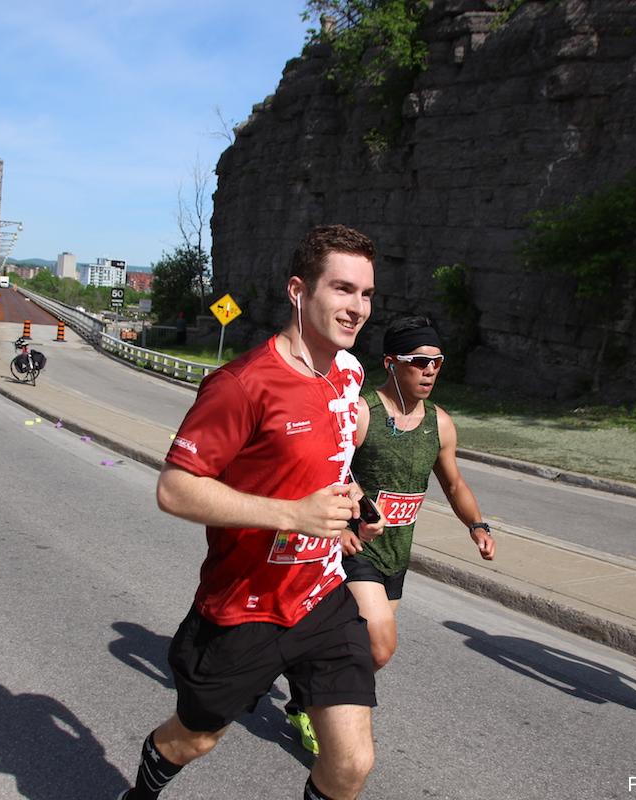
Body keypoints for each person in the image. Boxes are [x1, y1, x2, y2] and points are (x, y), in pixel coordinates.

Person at [117, 225, 381, 800]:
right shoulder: (241, 385)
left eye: (365, 293)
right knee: (193, 740)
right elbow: (175, 489)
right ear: (298, 290)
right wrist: (294, 515)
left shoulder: (349, 372)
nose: (356, 307)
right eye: (341, 289)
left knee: (351, 764)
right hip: (243, 610)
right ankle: (142, 791)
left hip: (320, 596)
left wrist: (351, 499)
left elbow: (323, 466)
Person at [283, 315, 497, 755]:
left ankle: (308, 693)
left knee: (364, 649)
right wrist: (347, 519)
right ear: (391, 363)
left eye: (437, 362)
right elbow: (325, 469)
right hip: (354, 548)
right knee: (380, 644)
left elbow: (453, 482)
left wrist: (477, 525)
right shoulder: (362, 413)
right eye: (419, 361)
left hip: (397, 555)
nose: (430, 370)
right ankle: (327, 711)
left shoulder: (441, 424)